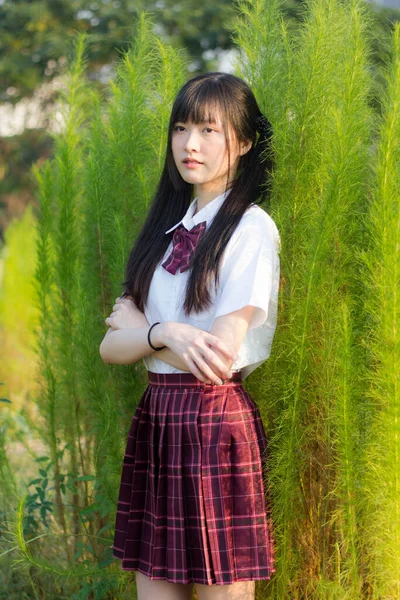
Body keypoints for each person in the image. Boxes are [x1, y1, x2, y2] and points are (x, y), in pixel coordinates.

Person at [100, 72, 281, 600]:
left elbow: (217, 359)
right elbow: (112, 347)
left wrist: (153, 336)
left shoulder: (250, 228)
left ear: (243, 143)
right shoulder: (168, 230)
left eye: (208, 129)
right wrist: (166, 334)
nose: (190, 144)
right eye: (180, 128)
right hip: (158, 422)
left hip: (213, 424)